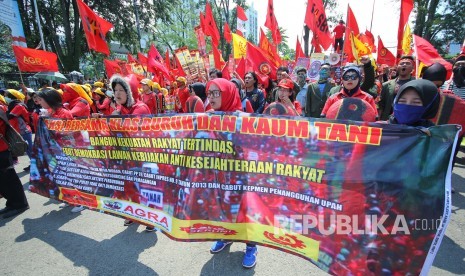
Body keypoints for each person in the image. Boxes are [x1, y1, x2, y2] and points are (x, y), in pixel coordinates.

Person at [206, 78, 258, 268]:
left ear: (227, 93)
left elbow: (255, 142)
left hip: (240, 174)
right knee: (222, 206)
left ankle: (251, 246)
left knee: (244, 210)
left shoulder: (242, 118)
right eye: (209, 93)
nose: (210, 97)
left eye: (215, 93)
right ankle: (225, 236)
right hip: (218, 173)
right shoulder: (207, 116)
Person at [0, 108, 29, 219]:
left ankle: (20, 204)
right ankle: (11, 203)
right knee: (2, 182)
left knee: (9, 179)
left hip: (2, 150)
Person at [378, 55, 416, 120]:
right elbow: (381, 105)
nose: (404, 65)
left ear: (412, 68)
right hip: (388, 122)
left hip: (408, 121)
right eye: (401, 63)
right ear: (397, 67)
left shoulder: (417, 85)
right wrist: (379, 120)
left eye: (407, 63)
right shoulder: (386, 85)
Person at [4, 89, 33, 171]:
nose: (5, 97)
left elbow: (9, 116)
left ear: (11, 96)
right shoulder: (11, 105)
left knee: (29, 149)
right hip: (19, 130)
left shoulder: (19, 106)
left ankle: (37, 165)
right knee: (27, 149)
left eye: (6, 95)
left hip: (24, 130)